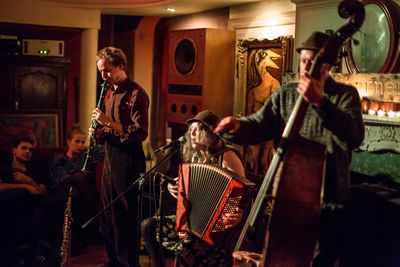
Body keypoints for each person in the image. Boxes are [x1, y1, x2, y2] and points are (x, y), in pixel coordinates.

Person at [214, 31, 365, 266]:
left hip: (330, 201)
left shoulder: (345, 96)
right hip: (289, 199)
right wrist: (238, 126)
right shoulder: (285, 94)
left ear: (328, 67)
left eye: (312, 62)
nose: (306, 68)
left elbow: (355, 135)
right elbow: (260, 124)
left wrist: (320, 102)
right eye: (303, 61)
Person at [141, 110, 250, 267]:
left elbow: (245, 192)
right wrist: (174, 187)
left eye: (197, 129)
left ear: (209, 133)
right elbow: (184, 185)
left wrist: (240, 214)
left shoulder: (227, 156)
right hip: (193, 223)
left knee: (185, 244)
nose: (191, 133)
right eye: (190, 130)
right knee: (149, 226)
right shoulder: (195, 158)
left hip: (221, 228)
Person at [92, 46, 149, 267]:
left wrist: (107, 122)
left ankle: (128, 263)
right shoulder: (108, 91)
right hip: (111, 156)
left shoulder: (137, 94)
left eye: (107, 70)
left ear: (121, 66)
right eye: (101, 71)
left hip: (129, 160)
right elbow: (110, 128)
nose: (103, 75)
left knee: (125, 216)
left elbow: (140, 132)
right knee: (108, 214)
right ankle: (113, 260)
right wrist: (99, 131)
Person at [0, 137, 47, 265]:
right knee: (21, 194)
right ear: (14, 150)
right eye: (24, 148)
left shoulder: (35, 171)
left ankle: (29, 251)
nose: (28, 152)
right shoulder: (4, 168)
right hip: (7, 205)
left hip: (30, 206)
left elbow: (42, 192)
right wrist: (24, 186)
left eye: (30, 150)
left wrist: (29, 181)